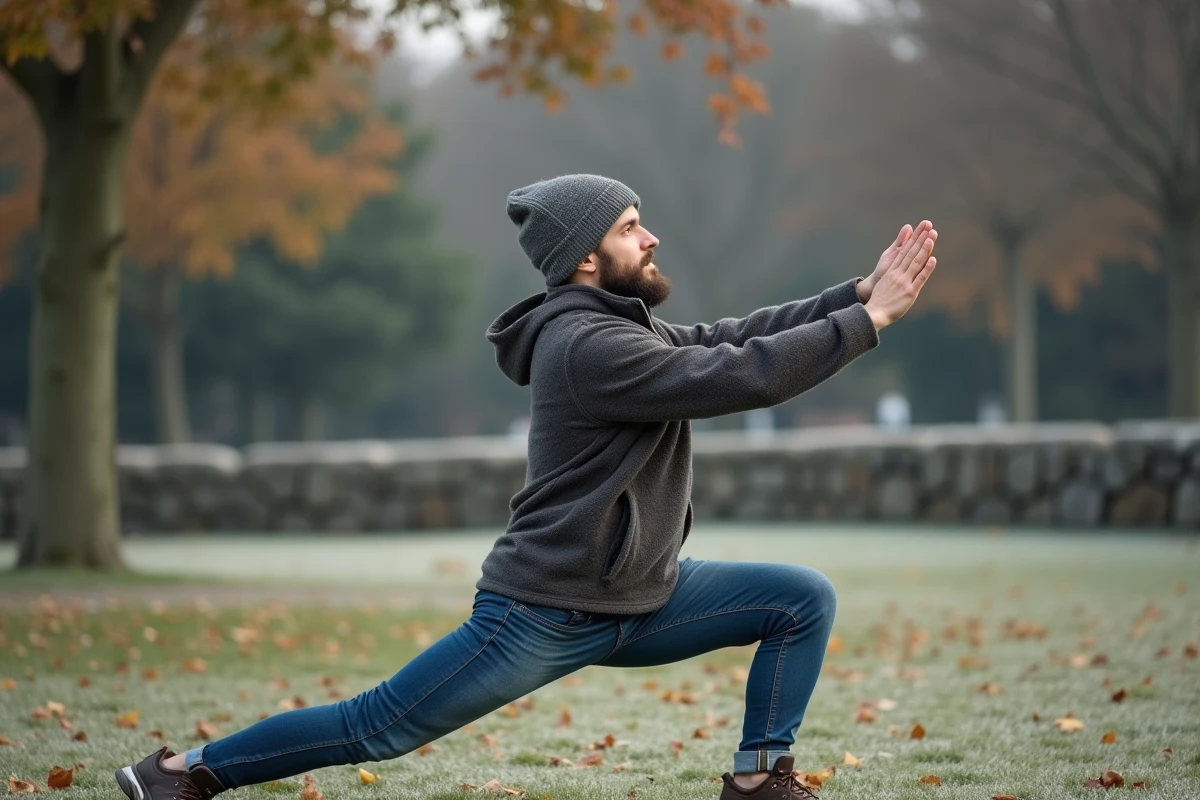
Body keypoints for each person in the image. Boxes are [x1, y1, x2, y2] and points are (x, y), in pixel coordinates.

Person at [115, 174, 938, 800]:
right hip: (544, 611)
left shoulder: (619, 326)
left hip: (639, 596)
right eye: (630, 228)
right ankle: (183, 774)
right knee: (378, 727)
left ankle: (759, 779)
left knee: (799, 599)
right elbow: (736, 374)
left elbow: (729, 336)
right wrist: (867, 325)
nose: (650, 237)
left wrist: (852, 296)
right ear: (585, 257)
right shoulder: (587, 346)